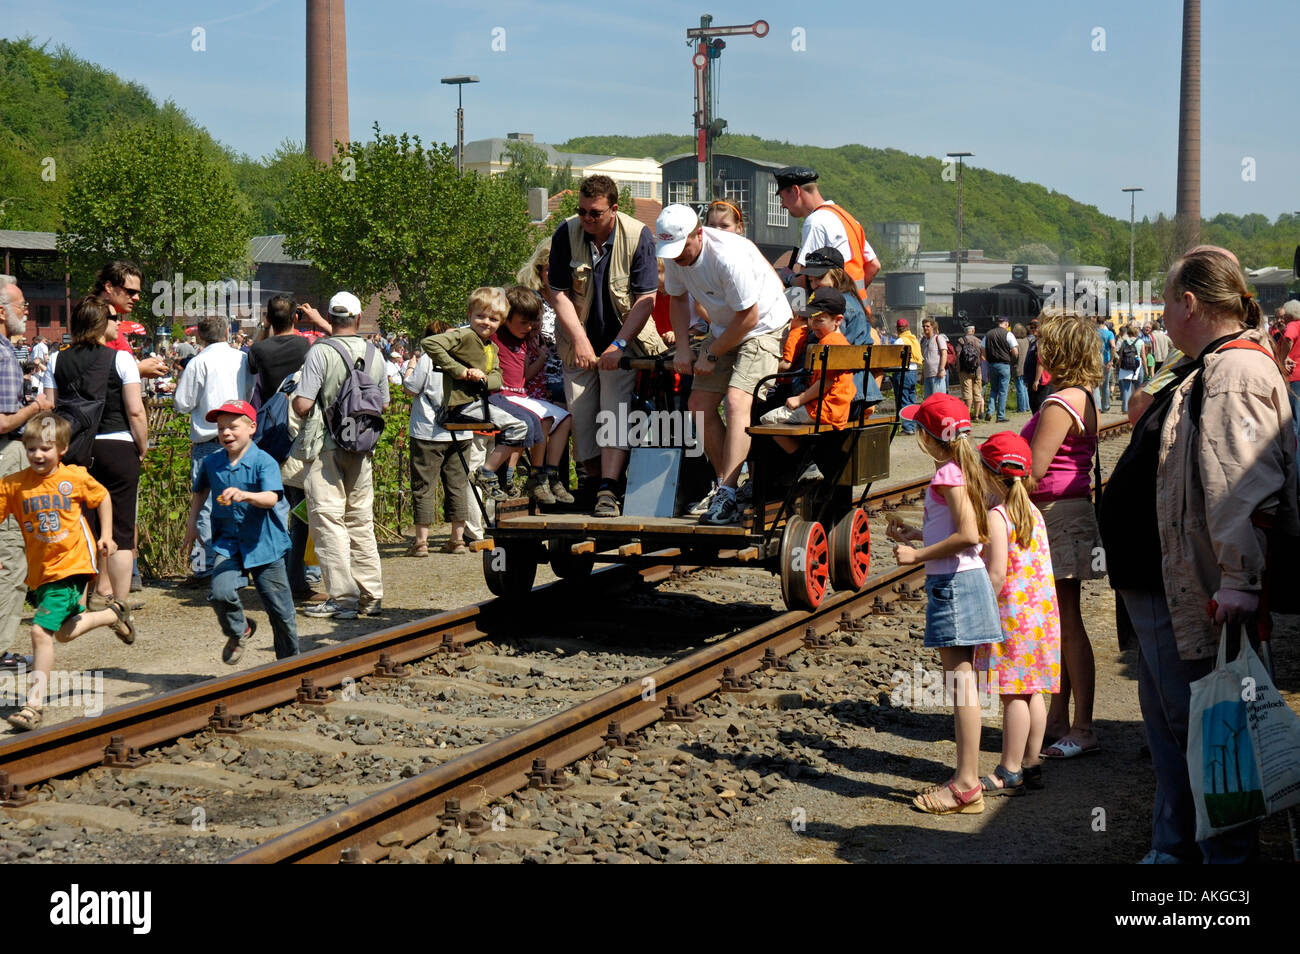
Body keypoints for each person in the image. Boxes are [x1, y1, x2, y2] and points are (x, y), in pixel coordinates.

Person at [1100, 246, 1298, 864]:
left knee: (1211, 736)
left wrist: (1239, 579)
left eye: (1165, 303)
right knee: (1176, 733)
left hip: (1198, 590)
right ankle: (1175, 853)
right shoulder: (1208, 364)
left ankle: (1219, 871)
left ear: (1190, 302)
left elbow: (1241, 483)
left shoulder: (1233, 372)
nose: (1161, 317)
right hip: (1170, 583)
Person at [887, 393, 1002, 814]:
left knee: (961, 687)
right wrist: (918, 536)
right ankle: (965, 779)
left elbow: (970, 534)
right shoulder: (962, 468)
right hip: (960, 581)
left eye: (919, 428)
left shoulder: (947, 476)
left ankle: (967, 784)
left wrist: (917, 557)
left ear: (928, 439)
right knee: (962, 685)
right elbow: (957, 533)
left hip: (954, 586)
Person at [657, 205, 792, 525]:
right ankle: (725, 488)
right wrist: (684, 349)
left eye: (682, 250)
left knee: (736, 400)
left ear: (698, 234)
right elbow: (677, 298)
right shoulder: (677, 255)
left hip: (763, 325)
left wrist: (711, 353)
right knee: (699, 404)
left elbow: (749, 317)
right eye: (671, 253)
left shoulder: (728, 257)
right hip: (725, 327)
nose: (678, 259)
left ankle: (728, 492)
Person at [0, 413, 134, 731]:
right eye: (31, 448)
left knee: (39, 632)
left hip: (72, 566)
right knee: (62, 633)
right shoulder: (14, 484)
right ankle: (113, 615)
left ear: (62, 449)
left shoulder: (73, 477)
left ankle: (33, 706)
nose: (37, 455)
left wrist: (106, 535)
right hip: (41, 572)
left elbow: (101, 497)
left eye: (45, 448)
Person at [548, 175, 663, 517]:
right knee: (583, 419)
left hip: (624, 342)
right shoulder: (565, 234)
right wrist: (581, 341)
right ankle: (594, 483)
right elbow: (558, 293)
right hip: (578, 343)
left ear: (613, 209)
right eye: (581, 211)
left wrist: (618, 344)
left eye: (594, 213)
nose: (586, 219)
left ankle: (609, 489)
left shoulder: (638, 235)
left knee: (614, 413)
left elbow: (646, 300)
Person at [1020, 314, 1105, 760]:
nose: (1040, 351)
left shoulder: (1059, 403)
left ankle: (1083, 726)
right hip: (1070, 512)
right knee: (1062, 622)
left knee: (1066, 624)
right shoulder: (1083, 397)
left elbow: (1033, 472)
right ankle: (1059, 718)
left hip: (1057, 514)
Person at [44, 298, 148, 621]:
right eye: (113, 318)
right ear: (102, 324)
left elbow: (50, 408)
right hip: (116, 446)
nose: (118, 323)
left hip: (74, 450)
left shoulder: (54, 360)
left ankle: (84, 596)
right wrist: (141, 446)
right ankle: (118, 604)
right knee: (120, 529)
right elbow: (135, 410)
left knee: (81, 526)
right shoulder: (121, 359)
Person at [291, 292, 389, 620]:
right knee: (361, 520)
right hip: (362, 447)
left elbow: (303, 405)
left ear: (330, 320)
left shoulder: (320, 351)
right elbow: (384, 405)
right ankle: (371, 596)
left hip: (325, 447)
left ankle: (343, 599)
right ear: (359, 319)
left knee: (329, 520)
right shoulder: (375, 353)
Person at [972, 432, 1060, 795]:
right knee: (1034, 692)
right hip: (1040, 619)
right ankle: (1032, 762)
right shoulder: (1033, 513)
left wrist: (980, 611)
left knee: (1014, 696)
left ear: (991, 476)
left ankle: (1008, 770)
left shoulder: (998, 516)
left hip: (1012, 619)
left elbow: (996, 574)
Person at [182, 400, 298, 663]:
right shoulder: (212, 462)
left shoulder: (264, 461)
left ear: (251, 428)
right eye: (221, 428)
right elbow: (200, 490)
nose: (226, 433)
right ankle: (239, 630)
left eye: (233, 427)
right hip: (228, 543)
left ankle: (290, 663)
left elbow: (271, 499)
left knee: (281, 612)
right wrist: (191, 524)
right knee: (220, 592)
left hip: (265, 545)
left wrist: (245, 495)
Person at [421, 287, 531, 503]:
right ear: (469, 315)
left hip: (479, 402)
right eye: (480, 316)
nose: (486, 322)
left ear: (500, 322)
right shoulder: (464, 335)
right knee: (518, 426)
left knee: (522, 425)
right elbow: (430, 343)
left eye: (492, 319)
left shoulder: (491, 346)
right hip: (462, 406)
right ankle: (487, 472)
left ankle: (494, 472)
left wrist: (482, 379)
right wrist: (460, 371)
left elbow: (498, 379)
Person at [0, 276, 55, 671]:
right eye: (21, 305)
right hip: (5, 458)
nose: (26, 311)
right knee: (11, 556)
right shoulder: (2, 354)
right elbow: (3, 422)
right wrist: (38, 406)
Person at [173, 315, 251, 581]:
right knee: (241, 500)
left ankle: (205, 567)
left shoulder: (198, 362)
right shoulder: (241, 358)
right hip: (241, 438)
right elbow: (250, 394)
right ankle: (240, 563)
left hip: (209, 439)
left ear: (199, 338)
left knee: (205, 504)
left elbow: (182, 403)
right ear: (228, 333)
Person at [759, 287, 855, 483]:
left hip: (823, 410)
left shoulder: (828, 344)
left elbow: (826, 381)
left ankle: (805, 464)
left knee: (766, 420)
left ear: (837, 320)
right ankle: (805, 464)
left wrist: (799, 399)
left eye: (819, 320)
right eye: (811, 319)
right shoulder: (840, 341)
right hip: (836, 409)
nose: (813, 325)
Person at [404, 320, 483, 556]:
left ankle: (421, 543)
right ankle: (457, 540)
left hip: (427, 431)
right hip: (461, 430)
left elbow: (411, 388)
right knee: (458, 483)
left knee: (424, 486)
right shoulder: (469, 358)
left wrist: (409, 368)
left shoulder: (429, 358)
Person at [496, 287, 574, 505]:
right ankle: (536, 475)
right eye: (524, 323)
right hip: (505, 395)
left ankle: (550, 472)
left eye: (532, 323)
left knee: (565, 417)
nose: (529, 327)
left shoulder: (527, 339)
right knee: (544, 419)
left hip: (522, 396)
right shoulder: (498, 335)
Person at [774, 165, 881, 309]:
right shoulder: (847, 218)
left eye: (782, 198)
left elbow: (805, 280)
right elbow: (874, 265)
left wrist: (788, 277)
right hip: (859, 313)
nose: (782, 205)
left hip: (835, 316)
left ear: (795, 191)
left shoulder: (815, 222)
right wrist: (853, 298)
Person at [515, 239, 567, 405]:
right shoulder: (530, 301)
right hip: (542, 377)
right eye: (548, 269)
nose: (554, 273)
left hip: (577, 375)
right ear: (538, 272)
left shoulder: (577, 300)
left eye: (561, 268)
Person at [983, 317, 1018, 422]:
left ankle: (990, 411)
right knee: (1003, 391)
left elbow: (982, 349)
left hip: (992, 365)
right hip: (1004, 365)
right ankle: (1000, 416)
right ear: (1006, 324)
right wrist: (1013, 360)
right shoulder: (1008, 334)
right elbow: (1015, 351)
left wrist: (987, 360)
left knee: (994, 390)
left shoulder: (988, 334)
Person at [892, 319, 922, 433]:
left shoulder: (900, 341)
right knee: (911, 400)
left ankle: (907, 427)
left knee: (903, 400)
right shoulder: (914, 340)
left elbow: (894, 359)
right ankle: (912, 426)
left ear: (898, 329)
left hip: (903, 372)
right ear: (908, 327)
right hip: (913, 372)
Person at [954, 323, 985, 420]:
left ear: (965, 331)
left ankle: (966, 415)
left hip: (965, 370)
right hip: (977, 370)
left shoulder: (961, 340)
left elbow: (958, 355)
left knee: (967, 392)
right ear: (973, 330)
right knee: (977, 392)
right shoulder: (979, 341)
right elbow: (983, 357)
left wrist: (958, 368)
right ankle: (976, 415)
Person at [1115, 321, 1146, 413]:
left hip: (1126, 366)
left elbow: (1121, 355)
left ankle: (1125, 408)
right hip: (1137, 366)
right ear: (1136, 333)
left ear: (1128, 333)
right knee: (1138, 388)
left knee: (1126, 388)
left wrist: (1120, 365)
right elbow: (1143, 356)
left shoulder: (1124, 342)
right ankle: (1137, 408)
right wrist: (1146, 369)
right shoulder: (1140, 341)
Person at [918, 318, 949, 398]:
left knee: (938, 399)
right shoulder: (924, 341)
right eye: (924, 326)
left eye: (927, 326)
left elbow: (944, 354)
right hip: (927, 376)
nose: (925, 328)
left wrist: (941, 369)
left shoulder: (938, 338)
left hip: (937, 375)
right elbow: (925, 359)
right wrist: (922, 375)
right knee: (928, 401)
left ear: (932, 327)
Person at [1094, 315, 1116, 413]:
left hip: (1094, 362)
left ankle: (1098, 406)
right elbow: (1113, 346)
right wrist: (1111, 361)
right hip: (1106, 362)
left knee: (1095, 385)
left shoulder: (1093, 333)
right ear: (1105, 322)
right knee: (1106, 385)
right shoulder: (1109, 333)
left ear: (1096, 321)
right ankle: (1106, 406)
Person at [1011, 321, 1030, 412]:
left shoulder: (1016, 342)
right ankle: (1027, 406)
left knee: (1020, 389)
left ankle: (1021, 408)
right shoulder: (1027, 340)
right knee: (1024, 388)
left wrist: (1012, 362)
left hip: (1018, 367)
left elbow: (1015, 355)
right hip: (1025, 367)